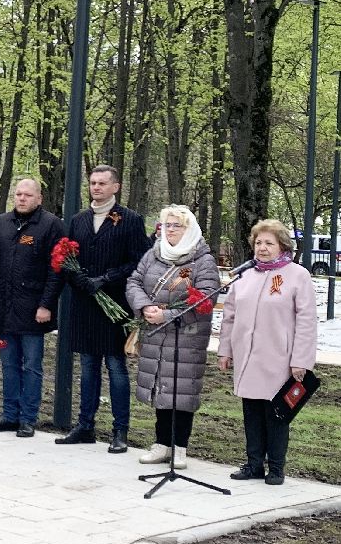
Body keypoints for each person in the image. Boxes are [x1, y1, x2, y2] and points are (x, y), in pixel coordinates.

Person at [55, 165, 149, 454]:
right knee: (87, 367)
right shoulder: (79, 220)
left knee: (116, 367)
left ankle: (120, 429)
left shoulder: (130, 220)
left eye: (102, 183)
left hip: (114, 304)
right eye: (93, 183)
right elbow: (66, 256)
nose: (96, 188)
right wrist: (80, 280)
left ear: (115, 187)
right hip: (85, 303)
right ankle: (85, 425)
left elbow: (138, 262)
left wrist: (106, 279)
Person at [218, 219, 318, 485]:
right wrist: (225, 350)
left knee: (276, 414)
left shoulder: (297, 275)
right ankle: (253, 464)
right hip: (247, 356)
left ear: (282, 245)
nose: (262, 248)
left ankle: (275, 467)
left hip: (280, 359)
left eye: (268, 243)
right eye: (258, 243)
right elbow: (230, 316)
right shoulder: (245, 276)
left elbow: (307, 320)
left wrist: (301, 360)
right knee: (251, 411)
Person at [125, 205, 219, 467]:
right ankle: (161, 443)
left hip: (187, 336)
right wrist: (145, 306)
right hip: (155, 332)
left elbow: (206, 298)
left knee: (182, 391)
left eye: (176, 225)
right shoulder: (153, 254)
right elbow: (134, 282)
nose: (170, 230)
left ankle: (180, 447)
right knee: (161, 387)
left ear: (188, 229)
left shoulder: (203, 260)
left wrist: (166, 316)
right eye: (166, 225)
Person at [0, 179, 63, 437]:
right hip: (4, 306)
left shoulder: (51, 225)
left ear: (39, 198)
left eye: (28, 195)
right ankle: (9, 415)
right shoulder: (2, 223)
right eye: (18, 194)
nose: (22, 199)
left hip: (34, 309)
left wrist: (46, 304)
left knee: (32, 366)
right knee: (9, 365)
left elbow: (56, 270)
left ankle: (28, 418)